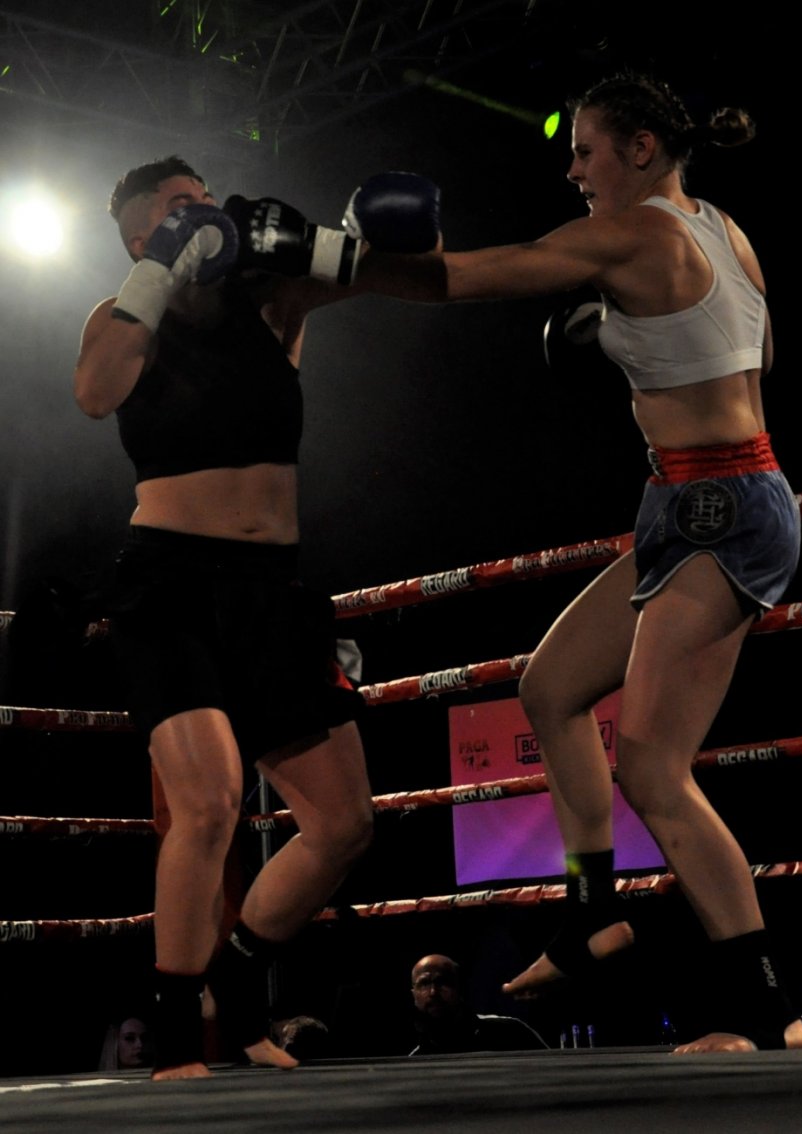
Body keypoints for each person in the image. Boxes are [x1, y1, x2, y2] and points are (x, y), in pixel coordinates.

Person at [365, 72, 802, 1053]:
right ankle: (592, 912)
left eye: (585, 150)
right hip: (692, 500)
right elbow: (760, 355)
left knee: (653, 768)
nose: (571, 170)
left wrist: (329, 259)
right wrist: (624, 333)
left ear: (639, 149)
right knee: (551, 687)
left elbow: (463, 278)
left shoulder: (634, 233)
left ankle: (767, 1011)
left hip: (723, 507)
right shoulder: (722, 229)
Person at [73, 157, 438, 1079]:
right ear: (138, 235)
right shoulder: (122, 316)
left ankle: (237, 986)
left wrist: (374, 229)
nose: (201, 212)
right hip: (168, 587)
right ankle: (171, 1031)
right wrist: (157, 268)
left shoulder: (271, 299)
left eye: (203, 198)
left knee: (344, 824)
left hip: (273, 591)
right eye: (175, 207)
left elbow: (407, 271)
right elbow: (95, 392)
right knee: (207, 805)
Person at [408, 954, 548, 1055]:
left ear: (460, 988)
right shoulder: (417, 1059)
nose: (433, 992)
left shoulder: (511, 1032)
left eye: (443, 982)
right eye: (424, 984)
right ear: (414, 995)